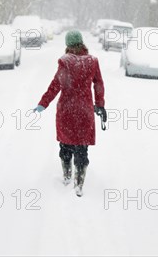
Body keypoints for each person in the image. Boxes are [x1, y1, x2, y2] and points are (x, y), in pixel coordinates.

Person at [33, 30, 106, 197]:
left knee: (66, 146)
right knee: (82, 147)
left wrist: (43, 103)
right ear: (82, 43)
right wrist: (100, 105)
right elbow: (99, 85)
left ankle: (66, 176)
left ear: (68, 45)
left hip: (67, 110)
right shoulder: (93, 62)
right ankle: (79, 183)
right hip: (85, 111)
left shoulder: (65, 62)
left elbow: (55, 85)